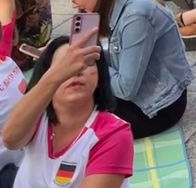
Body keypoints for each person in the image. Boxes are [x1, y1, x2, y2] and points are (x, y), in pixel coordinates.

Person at [60, 0, 191, 138]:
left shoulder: (136, 16)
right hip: (143, 93)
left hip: (157, 107)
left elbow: (125, 89)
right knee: (63, 94)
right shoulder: (119, 3)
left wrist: (90, 65)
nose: (75, 4)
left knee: (66, 113)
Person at [2, 35, 133, 188]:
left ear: (99, 76)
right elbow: (10, 139)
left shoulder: (114, 134)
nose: (76, 71)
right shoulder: (37, 115)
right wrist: (55, 77)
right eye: (64, 65)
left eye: (87, 63)